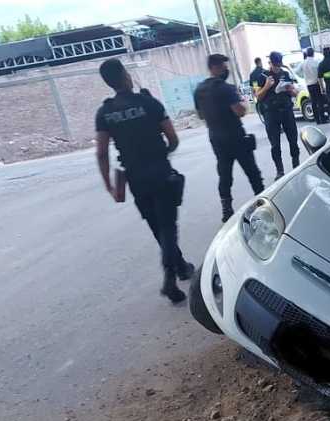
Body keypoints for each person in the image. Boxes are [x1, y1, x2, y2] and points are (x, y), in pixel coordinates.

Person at [94, 59, 193, 303]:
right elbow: (173, 138)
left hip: (135, 178)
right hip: (160, 172)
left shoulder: (105, 113)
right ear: (126, 76)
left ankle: (180, 267)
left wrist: (108, 183)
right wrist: (163, 153)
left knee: (157, 227)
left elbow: (101, 151)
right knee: (168, 226)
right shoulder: (148, 103)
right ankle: (170, 278)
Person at [193, 54, 265, 222]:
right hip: (236, 138)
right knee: (252, 172)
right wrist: (243, 104)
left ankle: (226, 210)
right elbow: (240, 111)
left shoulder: (199, 90)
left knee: (225, 175)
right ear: (215, 67)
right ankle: (263, 203)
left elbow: (200, 115)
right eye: (224, 67)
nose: (227, 70)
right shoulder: (226, 88)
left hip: (217, 139)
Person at [255, 51, 301, 180]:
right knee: (275, 144)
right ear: (271, 63)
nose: (277, 67)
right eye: (275, 64)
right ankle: (279, 170)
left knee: (293, 139)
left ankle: (296, 165)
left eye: (279, 64)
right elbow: (258, 96)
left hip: (286, 110)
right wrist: (266, 86)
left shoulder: (285, 74)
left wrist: (290, 90)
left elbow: (295, 92)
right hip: (271, 113)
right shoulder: (263, 76)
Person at [300, 47, 328, 125]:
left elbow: (297, 71)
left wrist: (305, 75)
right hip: (316, 83)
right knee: (320, 101)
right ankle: (322, 118)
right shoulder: (316, 62)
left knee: (313, 102)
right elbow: (320, 74)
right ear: (313, 53)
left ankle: (317, 120)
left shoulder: (303, 63)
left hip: (309, 85)